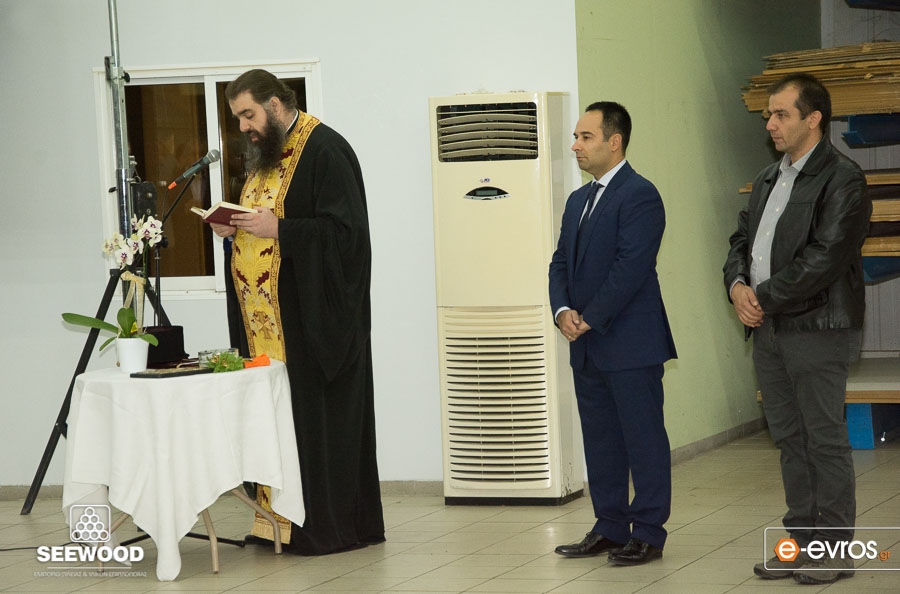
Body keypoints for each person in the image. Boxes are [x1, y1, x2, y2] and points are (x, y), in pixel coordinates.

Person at [212, 68, 385, 555]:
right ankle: (275, 523)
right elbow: (263, 231)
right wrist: (234, 230)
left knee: (314, 427)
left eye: (248, 115)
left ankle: (321, 528)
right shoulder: (263, 158)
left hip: (312, 328)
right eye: (238, 118)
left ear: (274, 104)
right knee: (272, 422)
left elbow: (349, 238)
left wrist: (281, 230)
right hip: (267, 330)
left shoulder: (326, 150)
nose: (243, 127)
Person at [723, 73, 870, 585]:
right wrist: (737, 285)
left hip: (817, 327)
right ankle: (801, 545)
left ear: (814, 119)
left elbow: (824, 258)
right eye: (769, 113)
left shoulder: (843, 179)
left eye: (781, 114)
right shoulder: (768, 178)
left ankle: (834, 551)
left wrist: (760, 298)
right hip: (769, 329)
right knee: (789, 438)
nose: (770, 123)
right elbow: (741, 239)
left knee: (822, 439)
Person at [548, 102, 677, 566]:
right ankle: (609, 526)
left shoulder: (640, 194)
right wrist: (563, 310)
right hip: (587, 345)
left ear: (614, 141)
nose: (575, 146)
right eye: (576, 137)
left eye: (585, 137)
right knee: (601, 440)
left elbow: (631, 266)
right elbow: (560, 261)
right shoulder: (578, 200)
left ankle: (648, 532)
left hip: (630, 342)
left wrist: (589, 317)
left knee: (643, 440)